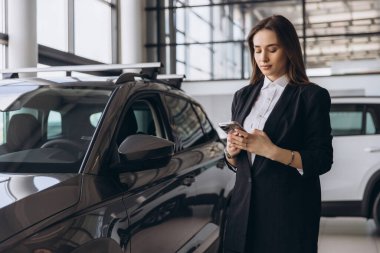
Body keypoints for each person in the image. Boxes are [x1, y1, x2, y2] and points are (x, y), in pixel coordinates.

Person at [223, 15, 333, 253]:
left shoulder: (312, 96)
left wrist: (271, 151)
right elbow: (238, 163)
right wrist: (231, 152)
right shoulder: (242, 96)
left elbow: (322, 159)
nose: (263, 58)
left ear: (289, 50)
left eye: (272, 49)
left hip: (288, 214)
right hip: (243, 209)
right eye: (257, 50)